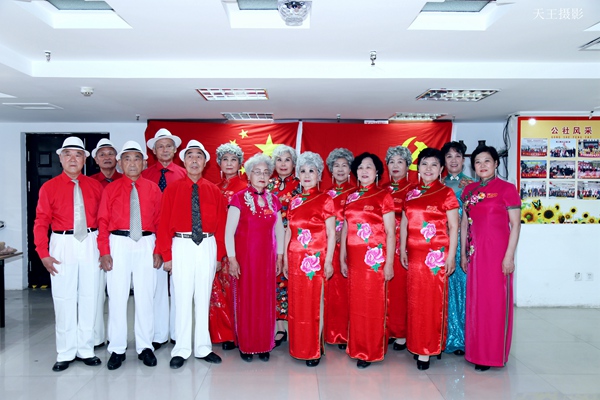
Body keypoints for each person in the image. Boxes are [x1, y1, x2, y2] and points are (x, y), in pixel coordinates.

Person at [33, 136, 103, 372]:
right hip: (62, 242)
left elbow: (103, 219)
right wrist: (43, 252)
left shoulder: (95, 186)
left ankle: (86, 348)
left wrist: (103, 249)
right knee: (64, 297)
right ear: (60, 158)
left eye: (78, 154)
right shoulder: (49, 187)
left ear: (84, 159)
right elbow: (41, 221)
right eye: (68, 154)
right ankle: (65, 351)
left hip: (90, 241)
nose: (73, 159)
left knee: (90, 295)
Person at [157, 140, 226, 369]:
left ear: (205, 162)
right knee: (182, 298)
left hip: (207, 244)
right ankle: (182, 349)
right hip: (182, 244)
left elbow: (222, 225)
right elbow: (163, 223)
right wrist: (166, 255)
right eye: (190, 156)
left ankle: (203, 347)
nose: (194, 160)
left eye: (199, 156)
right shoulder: (172, 189)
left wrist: (219, 256)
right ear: (183, 162)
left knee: (203, 297)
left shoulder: (214, 190)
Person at [97, 141, 162, 370]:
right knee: (117, 296)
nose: (132, 163)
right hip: (118, 243)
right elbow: (102, 221)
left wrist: (159, 250)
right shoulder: (111, 189)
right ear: (120, 163)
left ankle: (145, 346)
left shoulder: (153, 189)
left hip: (146, 242)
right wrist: (104, 252)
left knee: (145, 296)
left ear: (144, 163)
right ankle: (117, 348)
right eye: (127, 159)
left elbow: (160, 221)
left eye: (137, 158)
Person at [461, 145, 521, 371]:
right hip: (475, 256)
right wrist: (464, 254)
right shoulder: (469, 191)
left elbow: (516, 225)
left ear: (496, 163)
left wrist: (509, 256)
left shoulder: (507, 189)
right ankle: (476, 352)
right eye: (477, 162)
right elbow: (465, 224)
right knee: (477, 303)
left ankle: (493, 355)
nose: (482, 165)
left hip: (497, 256)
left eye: (487, 160)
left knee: (495, 304)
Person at [400, 147, 459, 371]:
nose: (428, 169)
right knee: (415, 301)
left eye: (434, 165)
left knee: (431, 302)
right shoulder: (411, 193)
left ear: (441, 169)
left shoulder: (446, 193)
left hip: (435, 257)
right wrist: (403, 249)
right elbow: (405, 222)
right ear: (418, 168)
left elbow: (453, 227)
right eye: (424, 164)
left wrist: (450, 256)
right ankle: (416, 343)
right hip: (414, 256)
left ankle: (428, 348)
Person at [226, 153, 284, 362]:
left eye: (266, 172)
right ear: (248, 175)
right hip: (245, 260)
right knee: (247, 301)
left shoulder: (274, 200)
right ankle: (247, 345)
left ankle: (264, 344)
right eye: (257, 172)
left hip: (267, 260)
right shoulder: (238, 198)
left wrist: (280, 256)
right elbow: (228, 233)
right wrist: (232, 259)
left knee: (265, 301)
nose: (262, 176)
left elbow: (280, 231)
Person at [339, 152, 395, 369]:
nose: (364, 171)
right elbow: (345, 228)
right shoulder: (351, 197)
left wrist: (389, 263)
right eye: (360, 167)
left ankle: (371, 350)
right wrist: (342, 257)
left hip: (375, 262)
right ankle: (356, 346)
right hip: (354, 261)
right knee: (356, 305)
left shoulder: (384, 196)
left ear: (377, 172)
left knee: (372, 305)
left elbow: (390, 233)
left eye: (369, 167)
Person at [284, 152, 336, 367]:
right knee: (298, 304)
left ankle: (314, 349)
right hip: (294, 259)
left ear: (319, 175)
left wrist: (329, 260)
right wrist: (285, 260)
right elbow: (289, 232)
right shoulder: (294, 201)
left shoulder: (326, 199)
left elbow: (331, 233)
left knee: (314, 303)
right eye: (303, 171)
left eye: (311, 171)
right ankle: (298, 346)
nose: (307, 175)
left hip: (316, 260)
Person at [142, 128, 186, 349]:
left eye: (169, 146)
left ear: (175, 150)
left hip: (179, 237)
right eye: (160, 146)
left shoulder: (185, 174)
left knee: (178, 287)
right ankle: (159, 334)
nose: (165, 149)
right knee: (157, 288)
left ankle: (178, 333)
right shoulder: (145, 175)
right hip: (153, 237)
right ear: (154, 151)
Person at [210, 143, 247, 351]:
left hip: (239, 245)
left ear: (240, 164)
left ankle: (241, 332)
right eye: (225, 160)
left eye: (234, 160)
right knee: (218, 289)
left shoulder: (246, 188)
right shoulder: (213, 188)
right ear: (219, 164)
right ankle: (224, 333)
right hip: (217, 244)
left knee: (238, 288)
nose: (229, 163)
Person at [441, 141, 474, 356]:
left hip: (463, 243)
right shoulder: (436, 183)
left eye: (458, 156)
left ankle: (461, 337)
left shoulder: (472, 185)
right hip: (439, 242)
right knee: (441, 290)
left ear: (463, 160)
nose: (453, 160)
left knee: (462, 290)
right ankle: (441, 335)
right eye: (449, 156)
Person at [89, 138, 122, 350]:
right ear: (95, 160)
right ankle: (97, 337)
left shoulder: (126, 180)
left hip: (121, 239)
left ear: (117, 158)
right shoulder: (90, 182)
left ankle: (119, 336)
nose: (107, 157)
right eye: (102, 154)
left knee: (119, 292)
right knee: (96, 290)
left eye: (111, 153)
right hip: (97, 238)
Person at [267, 144, 302, 346]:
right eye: (279, 160)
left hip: (294, 240)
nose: (283, 164)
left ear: (294, 163)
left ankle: (297, 326)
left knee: (293, 282)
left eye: (287, 160)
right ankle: (280, 328)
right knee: (275, 282)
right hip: (269, 241)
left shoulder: (301, 184)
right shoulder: (267, 184)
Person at [385, 145, 416, 353]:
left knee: (400, 290)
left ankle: (402, 332)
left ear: (408, 165)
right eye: (392, 162)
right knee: (385, 289)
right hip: (381, 244)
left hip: (402, 244)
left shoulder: (414, 190)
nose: (395, 166)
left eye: (400, 162)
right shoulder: (381, 189)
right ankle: (386, 328)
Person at [323, 148, 354, 349]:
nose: (340, 169)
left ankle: (344, 334)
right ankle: (328, 332)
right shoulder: (324, 194)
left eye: (344, 165)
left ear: (351, 169)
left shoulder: (356, 194)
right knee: (329, 291)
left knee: (345, 291)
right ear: (330, 170)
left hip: (349, 248)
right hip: (327, 248)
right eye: (336, 166)